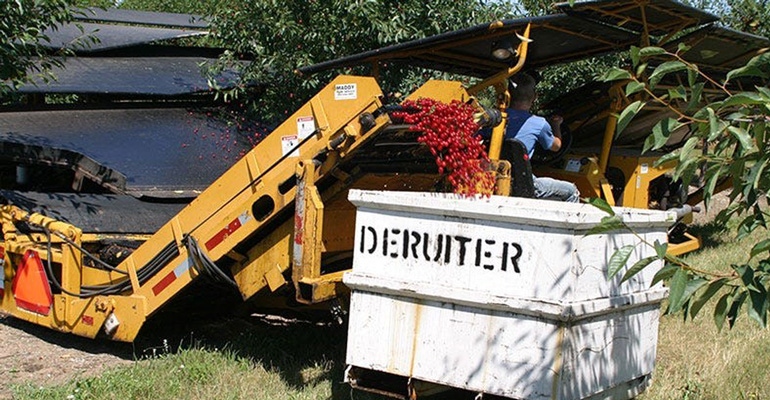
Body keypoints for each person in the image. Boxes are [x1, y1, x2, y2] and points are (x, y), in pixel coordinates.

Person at [502, 73, 580, 203]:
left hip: (496, 176)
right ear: (534, 97)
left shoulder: (495, 118)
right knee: (572, 191)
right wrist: (555, 125)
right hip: (525, 184)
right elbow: (556, 146)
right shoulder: (539, 123)